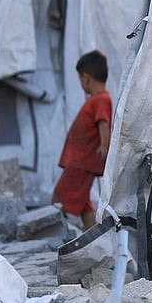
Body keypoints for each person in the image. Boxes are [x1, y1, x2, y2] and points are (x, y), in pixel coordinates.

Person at [51, 50, 112, 230]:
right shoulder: (96, 99)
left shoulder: (101, 99)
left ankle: (60, 235)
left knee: (60, 198)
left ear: (86, 78)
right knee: (83, 202)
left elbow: (104, 122)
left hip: (81, 162)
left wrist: (104, 146)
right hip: (80, 161)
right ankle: (91, 237)